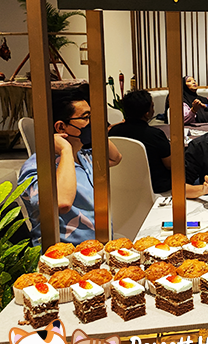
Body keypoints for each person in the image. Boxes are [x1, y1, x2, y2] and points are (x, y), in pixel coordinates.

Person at [18, 89, 122, 246]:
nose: (92, 122)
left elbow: (115, 158)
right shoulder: (37, 167)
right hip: (62, 256)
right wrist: (65, 149)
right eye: (86, 117)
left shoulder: (83, 156)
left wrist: (96, 128)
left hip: (96, 250)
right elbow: (62, 203)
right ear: (61, 127)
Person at [108, 90, 172, 193]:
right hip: (156, 187)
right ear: (147, 113)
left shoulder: (113, 132)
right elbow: (170, 164)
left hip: (120, 186)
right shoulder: (155, 135)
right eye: (152, 107)